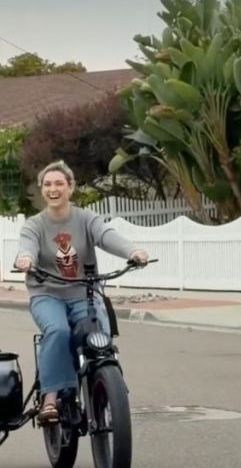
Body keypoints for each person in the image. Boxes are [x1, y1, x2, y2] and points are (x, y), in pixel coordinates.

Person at [14, 160, 149, 424]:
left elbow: (107, 235)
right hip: (47, 294)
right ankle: (50, 398)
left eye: (59, 184)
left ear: (70, 187)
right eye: (48, 184)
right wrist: (25, 259)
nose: (54, 189)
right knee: (58, 331)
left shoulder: (87, 219)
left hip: (84, 292)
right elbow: (26, 246)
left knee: (100, 337)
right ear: (42, 189)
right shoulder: (34, 225)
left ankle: (107, 383)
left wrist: (132, 251)